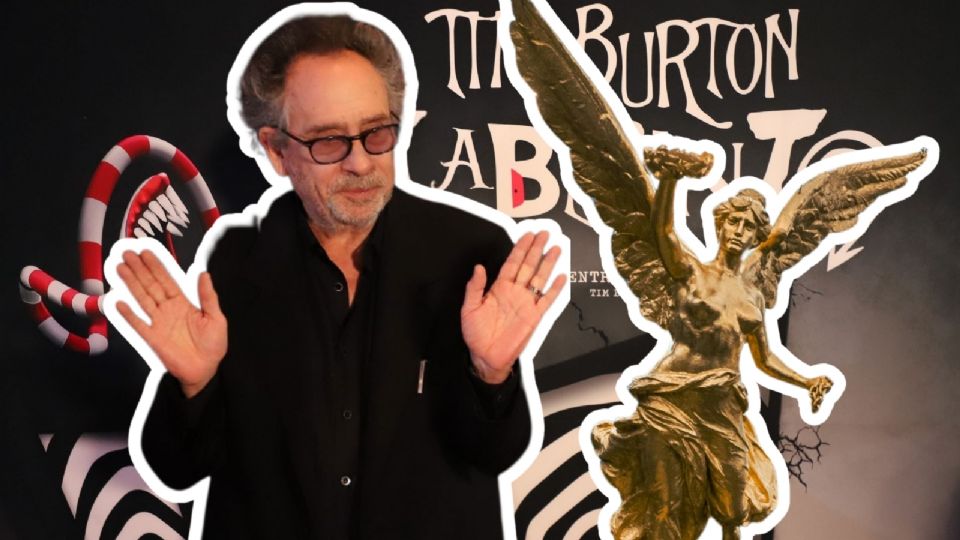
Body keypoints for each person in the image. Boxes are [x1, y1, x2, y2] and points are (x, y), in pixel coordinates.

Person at [113, 11, 565, 540]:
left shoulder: (472, 255)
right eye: (329, 141)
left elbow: (496, 454)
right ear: (277, 151)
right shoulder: (236, 266)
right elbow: (177, 470)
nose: (360, 163)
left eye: (377, 133)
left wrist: (490, 375)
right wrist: (194, 386)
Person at [591, 155, 832, 540]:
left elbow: (764, 359)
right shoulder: (689, 271)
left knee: (733, 511)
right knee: (666, 504)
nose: (738, 230)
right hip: (671, 399)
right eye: (733, 221)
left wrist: (807, 382)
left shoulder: (753, 296)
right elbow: (663, 231)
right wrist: (670, 178)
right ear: (720, 224)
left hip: (721, 406)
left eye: (748, 226)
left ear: (757, 236)